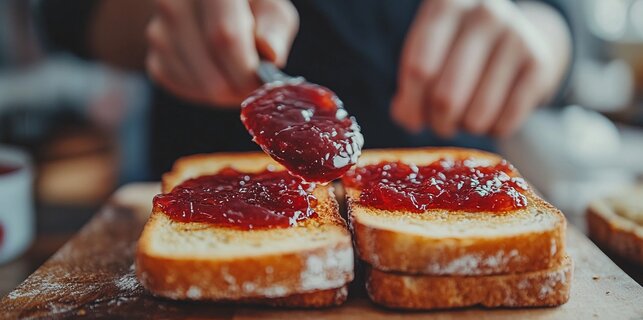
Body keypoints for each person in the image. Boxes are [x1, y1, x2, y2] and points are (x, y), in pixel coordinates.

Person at [38, 0, 572, 177]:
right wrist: (151, 13)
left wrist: (542, 40)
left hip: (455, 166)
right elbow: (63, 13)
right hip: (209, 143)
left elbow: (565, 20)